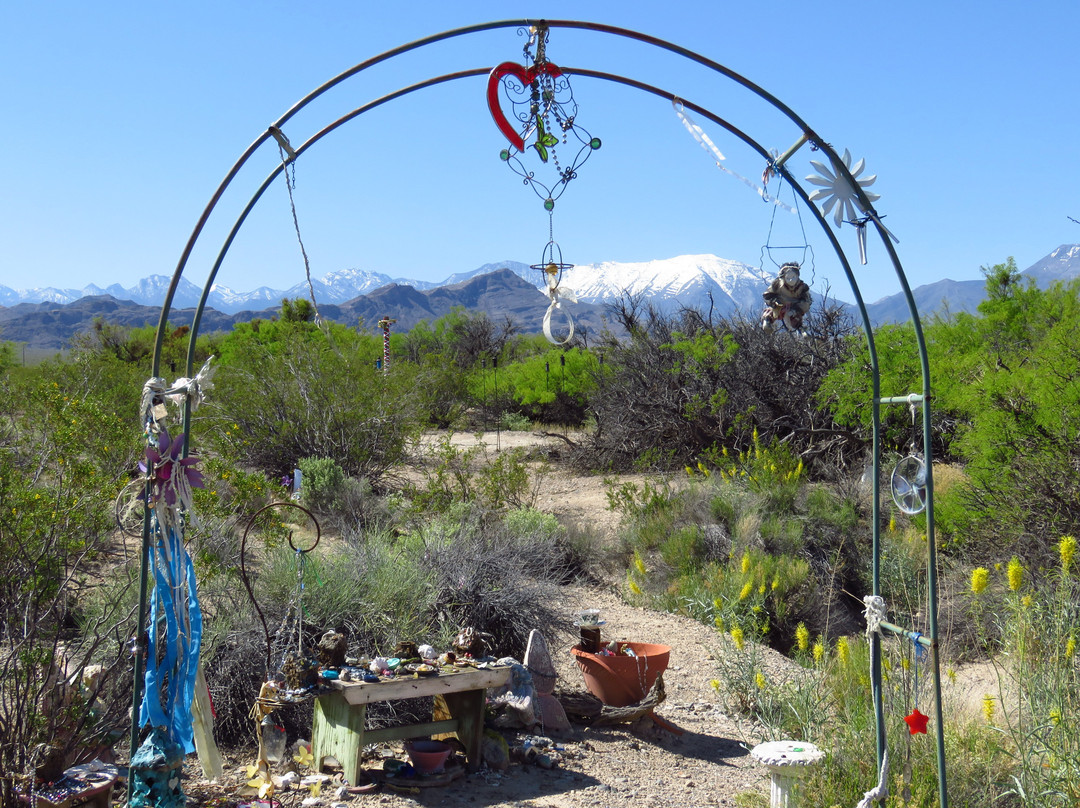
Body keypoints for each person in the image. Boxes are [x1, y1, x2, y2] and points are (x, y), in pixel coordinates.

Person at [761, 262, 812, 333]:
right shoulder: (777, 284)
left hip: (794, 307)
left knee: (795, 318)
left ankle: (801, 329)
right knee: (771, 312)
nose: (791, 280)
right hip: (779, 304)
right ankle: (767, 321)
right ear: (784, 277)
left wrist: (798, 308)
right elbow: (767, 295)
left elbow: (807, 300)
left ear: (797, 276)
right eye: (788, 278)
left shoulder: (803, 287)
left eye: (793, 277)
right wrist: (774, 301)